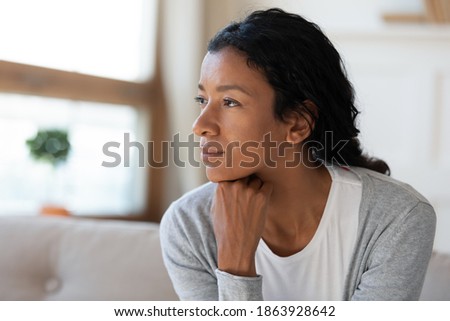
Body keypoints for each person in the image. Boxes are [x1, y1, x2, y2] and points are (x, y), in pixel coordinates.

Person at [160, 8, 436, 300]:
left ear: (297, 122)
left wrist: (237, 268)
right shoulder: (188, 225)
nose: (200, 125)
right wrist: (235, 266)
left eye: (229, 102)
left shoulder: (397, 218)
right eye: (202, 99)